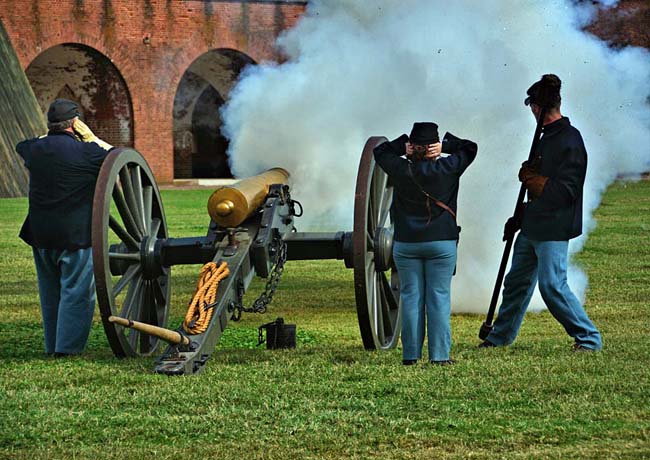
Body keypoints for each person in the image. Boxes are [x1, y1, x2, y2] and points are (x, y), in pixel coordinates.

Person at [480, 74, 602, 351]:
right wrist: (520, 216)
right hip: (533, 224)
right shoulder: (545, 138)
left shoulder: (570, 140)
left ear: (537, 108)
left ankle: (589, 339)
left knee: (552, 286)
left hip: (554, 228)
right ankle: (499, 337)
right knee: (516, 284)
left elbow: (566, 192)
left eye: (532, 107)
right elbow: (537, 192)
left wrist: (533, 180)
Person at [374, 122, 477, 365]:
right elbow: (470, 148)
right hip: (441, 242)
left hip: (406, 243)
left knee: (410, 297)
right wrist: (446, 146)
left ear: (412, 146)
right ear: (434, 148)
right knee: (438, 296)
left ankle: (410, 355)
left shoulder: (400, 168)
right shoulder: (448, 168)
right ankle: (440, 356)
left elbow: (380, 152)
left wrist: (403, 148)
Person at [17, 98, 113, 357]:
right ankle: (67, 349)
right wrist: (91, 137)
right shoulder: (89, 152)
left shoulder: (34, 150)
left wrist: (48, 134)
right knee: (77, 291)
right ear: (75, 123)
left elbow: (22, 146)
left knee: (50, 293)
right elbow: (115, 156)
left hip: (40, 233)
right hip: (75, 234)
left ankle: (53, 346)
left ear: (50, 124)